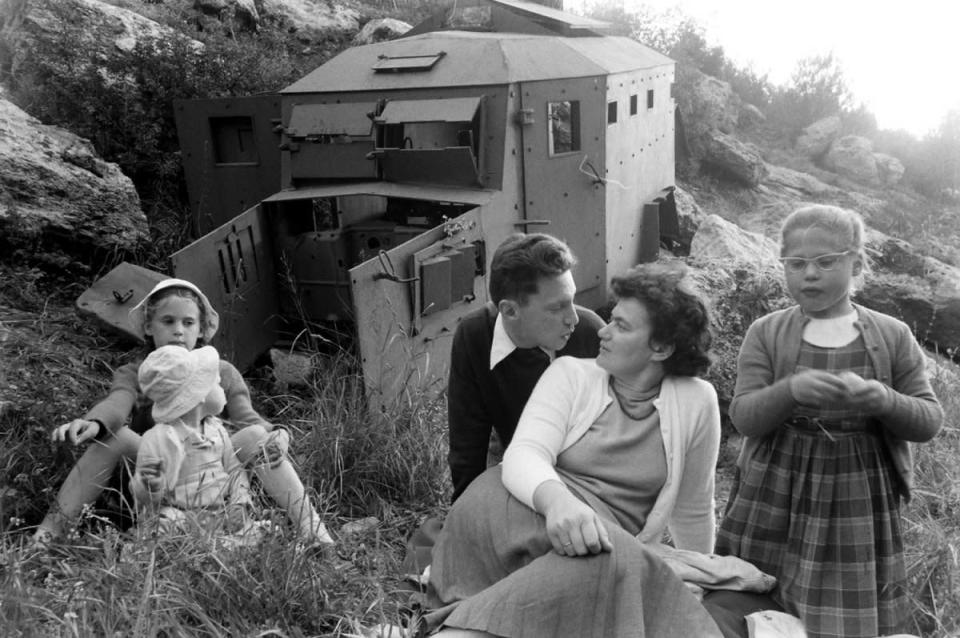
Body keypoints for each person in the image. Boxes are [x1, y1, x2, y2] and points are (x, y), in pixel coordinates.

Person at [426, 263, 725, 637]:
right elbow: (523, 454)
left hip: (592, 545)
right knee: (609, 561)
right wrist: (560, 504)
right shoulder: (571, 373)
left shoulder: (697, 401)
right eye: (610, 319)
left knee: (605, 560)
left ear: (661, 347)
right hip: (514, 508)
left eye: (622, 326)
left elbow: (694, 506)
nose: (603, 331)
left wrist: (703, 573)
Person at [715, 205, 944, 638]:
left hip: (856, 494)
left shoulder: (892, 334)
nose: (810, 275)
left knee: (843, 611)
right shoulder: (766, 332)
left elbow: (929, 420)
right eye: (796, 264)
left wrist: (883, 399)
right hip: (773, 488)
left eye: (826, 262)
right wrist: (790, 392)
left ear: (856, 264)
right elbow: (744, 417)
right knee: (753, 598)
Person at [33, 278, 334, 549]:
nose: (179, 330)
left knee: (257, 437)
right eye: (168, 321)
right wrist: (95, 423)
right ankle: (50, 533)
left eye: (188, 323)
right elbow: (118, 402)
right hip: (158, 469)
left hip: (210, 466)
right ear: (149, 327)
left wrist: (274, 433)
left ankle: (312, 528)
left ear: (202, 328)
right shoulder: (139, 372)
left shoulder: (221, 370)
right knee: (116, 437)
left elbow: (246, 416)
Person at [447, 233, 604, 501]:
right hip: (520, 467)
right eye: (557, 308)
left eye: (572, 300)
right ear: (509, 311)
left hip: (588, 477)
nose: (573, 318)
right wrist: (466, 518)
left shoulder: (591, 334)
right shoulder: (474, 335)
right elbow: (467, 445)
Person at [133, 344, 253, 538]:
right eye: (217, 383)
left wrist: (239, 502)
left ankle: (219, 540)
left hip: (219, 513)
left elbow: (235, 470)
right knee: (165, 526)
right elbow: (142, 490)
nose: (222, 389)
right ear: (200, 396)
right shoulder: (158, 438)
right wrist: (150, 486)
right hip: (177, 513)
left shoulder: (218, 431)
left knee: (255, 532)